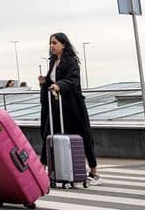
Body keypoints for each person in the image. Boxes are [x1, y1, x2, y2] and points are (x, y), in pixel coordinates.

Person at [37, 32, 102, 185]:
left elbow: (73, 80)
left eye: (55, 43)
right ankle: (42, 169)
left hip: (73, 107)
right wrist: (43, 83)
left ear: (63, 45)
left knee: (83, 136)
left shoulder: (71, 62)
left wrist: (60, 85)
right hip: (57, 106)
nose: (52, 46)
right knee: (48, 134)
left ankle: (94, 171)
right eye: (51, 43)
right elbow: (51, 82)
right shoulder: (53, 62)